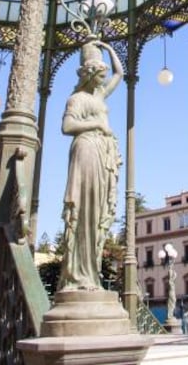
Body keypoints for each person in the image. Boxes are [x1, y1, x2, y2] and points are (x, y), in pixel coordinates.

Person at [58, 39, 123, 291]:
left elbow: (119, 73)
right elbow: (67, 127)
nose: (102, 79)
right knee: (84, 208)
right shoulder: (77, 99)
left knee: (96, 210)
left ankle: (91, 271)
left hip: (101, 153)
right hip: (85, 149)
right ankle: (78, 273)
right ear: (90, 75)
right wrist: (96, 125)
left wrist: (108, 49)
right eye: (99, 74)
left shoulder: (99, 94)